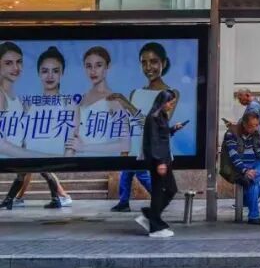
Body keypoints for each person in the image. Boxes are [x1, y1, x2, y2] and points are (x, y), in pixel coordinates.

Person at [0, 46, 73, 209]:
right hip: (30, 146)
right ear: (39, 73)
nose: (50, 76)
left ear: (62, 73)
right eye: (45, 71)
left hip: (39, 147)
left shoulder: (66, 104)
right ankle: (12, 200)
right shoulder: (31, 103)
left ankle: (11, 200)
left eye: (55, 71)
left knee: (38, 172)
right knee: (32, 172)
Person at [112, 42, 177, 212]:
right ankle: (124, 202)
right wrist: (125, 145)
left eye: (154, 61)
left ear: (164, 62)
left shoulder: (170, 93)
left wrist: (126, 103)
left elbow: (155, 122)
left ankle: (157, 199)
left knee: (141, 173)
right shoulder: (136, 92)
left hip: (150, 145)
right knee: (126, 172)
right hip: (134, 142)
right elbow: (130, 121)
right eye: (144, 62)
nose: (148, 67)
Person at [133, 89, 184, 238]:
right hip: (159, 161)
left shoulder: (161, 116)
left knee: (168, 190)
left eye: (172, 103)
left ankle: (151, 215)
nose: (171, 106)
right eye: (170, 103)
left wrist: (173, 129)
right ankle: (154, 225)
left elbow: (162, 135)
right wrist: (160, 162)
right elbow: (154, 141)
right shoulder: (153, 117)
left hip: (163, 159)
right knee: (161, 191)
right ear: (162, 102)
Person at [65, 47, 132, 157]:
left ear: (108, 66)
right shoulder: (79, 100)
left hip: (104, 164)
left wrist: (84, 147)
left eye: (98, 65)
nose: (93, 71)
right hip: (78, 164)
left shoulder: (114, 100)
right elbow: (71, 143)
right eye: (89, 66)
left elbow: (125, 145)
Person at [222, 110, 260, 225]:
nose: (255, 128)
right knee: (254, 184)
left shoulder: (255, 134)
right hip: (238, 168)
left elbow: (258, 152)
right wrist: (245, 170)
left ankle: (251, 179)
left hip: (253, 166)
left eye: (256, 125)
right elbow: (233, 156)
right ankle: (254, 216)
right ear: (244, 124)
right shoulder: (231, 133)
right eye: (252, 126)